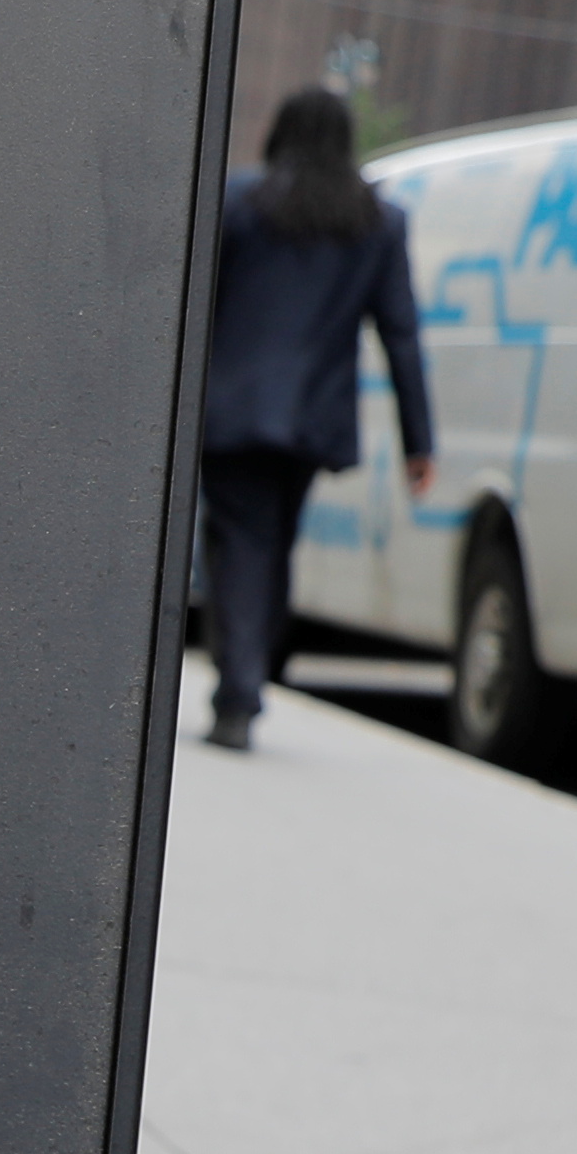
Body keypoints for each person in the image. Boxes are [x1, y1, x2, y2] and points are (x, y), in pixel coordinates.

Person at [189, 88, 433, 751]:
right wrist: (420, 442)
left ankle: (239, 691)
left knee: (240, 543)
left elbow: (193, 303)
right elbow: (401, 332)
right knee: (273, 544)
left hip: (230, 411)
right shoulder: (378, 221)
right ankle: (246, 677)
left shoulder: (241, 204)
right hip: (312, 420)